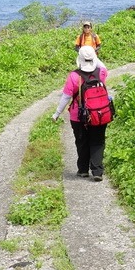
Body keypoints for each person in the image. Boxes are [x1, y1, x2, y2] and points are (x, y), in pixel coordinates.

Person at [52, 46, 108, 181]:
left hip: (78, 116)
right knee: (97, 141)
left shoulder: (74, 76)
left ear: (80, 60)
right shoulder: (101, 72)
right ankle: (97, 172)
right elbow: (102, 65)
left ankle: (83, 170)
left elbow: (66, 97)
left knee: (81, 141)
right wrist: (93, 55)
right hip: (98, 113)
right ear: (94, 58)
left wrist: (57, 113)